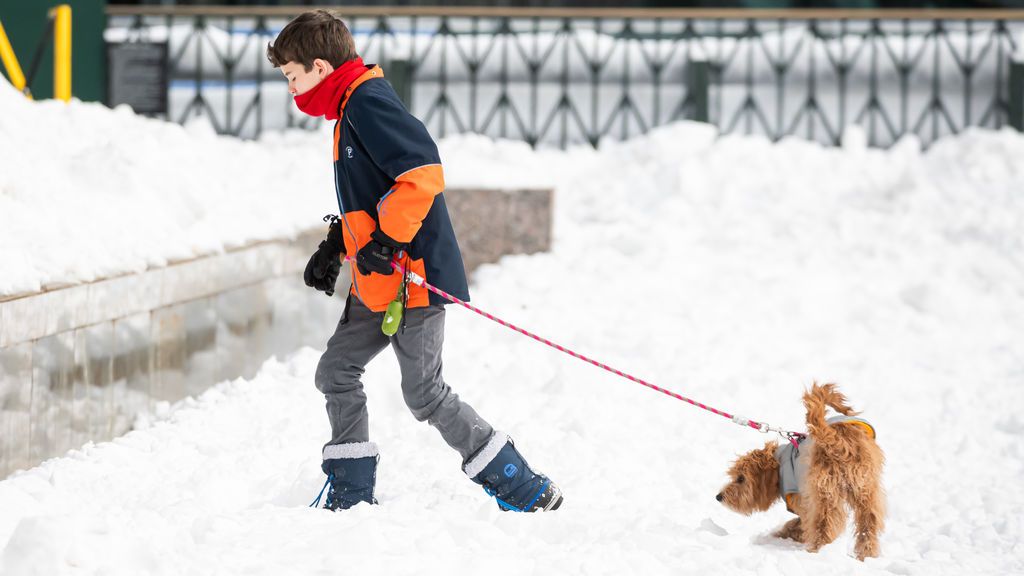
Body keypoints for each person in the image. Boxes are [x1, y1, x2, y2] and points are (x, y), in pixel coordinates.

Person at [266, 10, 562, 513]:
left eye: (293, 76)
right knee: (336, 372)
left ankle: (522, 484)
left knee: (424, 393)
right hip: (378, 281)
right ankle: (351, 492)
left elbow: (422, 174)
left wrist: (386, 240)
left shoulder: (366, 101)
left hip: (412, 280)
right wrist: (337, 244)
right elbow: (376, 192)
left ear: (319, 66)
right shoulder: (347, 107)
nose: (292, 90)